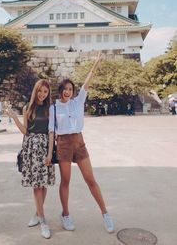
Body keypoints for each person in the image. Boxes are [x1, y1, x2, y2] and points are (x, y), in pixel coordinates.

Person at [49, 52, 114, 233]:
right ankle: (66, 214)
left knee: (90, 179)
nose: (67, 91)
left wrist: (96, 64)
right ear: (60, 90)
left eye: (70, 89)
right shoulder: (54, 107)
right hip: (63, 144)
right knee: (66, 181)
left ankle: (105, 214)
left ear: (73, 91)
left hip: (79, 142)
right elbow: (51, 131)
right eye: (64, 89)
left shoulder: (78, 102)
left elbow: (87, 82)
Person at [7, 79, 55, 239]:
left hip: (44, 147)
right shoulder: (27, 108)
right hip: (31, 149)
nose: (42, 94)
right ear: (36, 91)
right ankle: (43, 221)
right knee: (36, 186)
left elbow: (51, 133)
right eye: (40, 91)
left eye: (45, 92)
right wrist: (14, 117)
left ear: (48, 94)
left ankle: (37, 213)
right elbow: (25, 131)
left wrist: (49, 154)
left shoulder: (50, 109)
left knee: (44, 183)